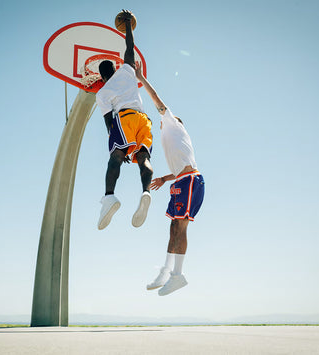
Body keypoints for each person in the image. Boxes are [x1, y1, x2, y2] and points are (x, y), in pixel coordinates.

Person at [135, 62, 205, 296]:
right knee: (173, 227)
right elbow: (179, 167)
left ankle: (178, 275)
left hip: (191, 181)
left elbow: (157, 99)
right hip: (180, 181)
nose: (162, 117)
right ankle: (166, 270)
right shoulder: (169, 138)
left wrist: (140, 78)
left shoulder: (174, 125)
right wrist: (165, 178)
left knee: (180, 225)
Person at [95, 10, 153, 230]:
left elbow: (111, 126)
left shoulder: (102, 93)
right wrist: (128, 24)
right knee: (143, 156)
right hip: (143, 119)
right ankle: (146, 192)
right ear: (115, 67)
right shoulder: (127, 70)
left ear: (101, 76)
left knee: (115, 157)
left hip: (125, 117)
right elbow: (130, 47)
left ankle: (109, 197)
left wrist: (120, 151)